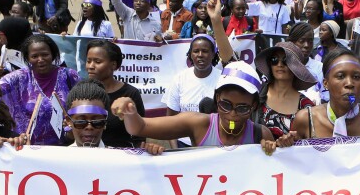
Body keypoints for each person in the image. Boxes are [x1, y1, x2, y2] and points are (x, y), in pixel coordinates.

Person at [113, 61, 273, 147]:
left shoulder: (261, 135)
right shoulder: (198, 124)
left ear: (254, 106)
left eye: (243, 108)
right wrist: (129, 112)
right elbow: (139, 127)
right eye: (226, 105)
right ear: (217, 98)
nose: (232, 114)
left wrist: (274, 149)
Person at [290, 50, 360, 142]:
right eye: (340, 76)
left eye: (356, 77)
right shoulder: (306, 119)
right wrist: (285, 144)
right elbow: (292, 158)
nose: (350, 83)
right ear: (326, 83)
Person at [0, 34, 80, 145]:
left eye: (45, 55)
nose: (40, 60)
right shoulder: (18, 78)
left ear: (53, 54)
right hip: (29, 150)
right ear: (27, 58)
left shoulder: (69, 76)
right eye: (34, 56)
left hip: (65, 147)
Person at [84, 39, 146, 148]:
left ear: (113, 65)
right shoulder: (81, 91)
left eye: (97, 62)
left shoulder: (130, 94)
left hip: (120, 159)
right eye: (88, 61)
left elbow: (139, 136)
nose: (91, 66)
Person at [254, 41, 317, 139]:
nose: (279, 64)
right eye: (274, 60)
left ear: (297, 68)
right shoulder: (256, 93)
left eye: (285, 60)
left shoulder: (307, 107)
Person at [64, 80, 110, 148]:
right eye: (81, 121)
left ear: (105, 122)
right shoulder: (61, 157)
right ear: (69, 121)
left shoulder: (116, 157)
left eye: (97, 122)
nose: (89, 127)